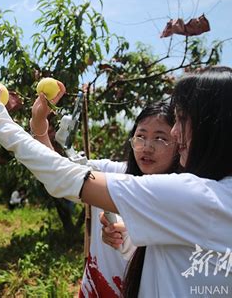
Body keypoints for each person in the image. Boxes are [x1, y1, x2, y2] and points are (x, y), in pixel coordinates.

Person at [0, 66, 232, 297]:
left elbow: (66, 178)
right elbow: (176, 271)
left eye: (180, 121)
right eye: (141, 135)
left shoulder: (201, 196)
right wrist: (129, 242)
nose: (176, 134)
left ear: (213, 128)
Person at [32, 92, 179, 296]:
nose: (147, 147)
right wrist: (39, 125)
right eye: (141, 136)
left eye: (160, 139)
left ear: (179, 143)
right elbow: (56, 171)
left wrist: (137, 233)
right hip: (95, 289)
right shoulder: (110, 173)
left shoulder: (183, 196)